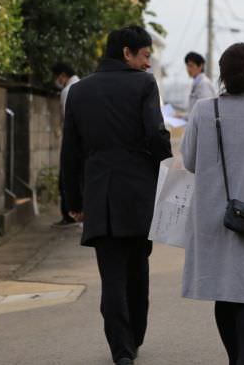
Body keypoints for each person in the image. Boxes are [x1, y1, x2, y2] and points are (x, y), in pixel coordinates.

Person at [61, 26, 172, 365]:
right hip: (138, 194)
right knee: (137, 271)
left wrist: (73, 203)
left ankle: (121, 351)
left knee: (111, 276)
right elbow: (155, 135)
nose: (148, 64)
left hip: (100, 196)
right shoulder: (143, 85)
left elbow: (70, 152)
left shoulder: (79, 91)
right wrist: (165, 164)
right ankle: (134, 336)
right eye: (144, 56)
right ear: (127, 53)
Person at [180, 43, 244, 365]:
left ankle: (234, 360)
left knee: (223, 291)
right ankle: (243, 360)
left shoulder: (203, 110)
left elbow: (189, 161)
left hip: (212, 214)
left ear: (223, 75)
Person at [52, 63, 80, 227]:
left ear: (62, 75)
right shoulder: (82, 85)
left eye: (56, 77)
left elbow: (66, 119)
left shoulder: (67, 91)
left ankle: (69, 213)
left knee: (66, 176)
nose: (56, 81)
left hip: (71, 139)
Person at [184, 51, 217, 117]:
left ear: (200, 66)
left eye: (191, 66)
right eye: (187, 66)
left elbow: (206, 110)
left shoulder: (204, 84)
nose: (188, 69)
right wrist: (182, 116)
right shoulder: (197, 82)